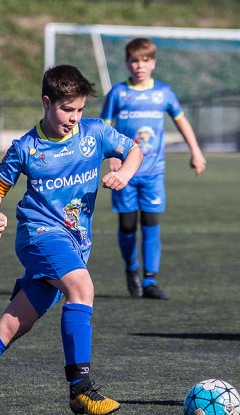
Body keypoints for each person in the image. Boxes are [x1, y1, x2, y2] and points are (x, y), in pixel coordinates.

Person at [0, 65, 143, 415]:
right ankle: (81, 388)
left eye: (80, 110)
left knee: (12, 326)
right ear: (46, 103)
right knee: (81, 288)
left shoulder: (94, 133)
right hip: (39, 236)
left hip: (75, 242)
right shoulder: (26, 148)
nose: (74, 118)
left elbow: (134, 151)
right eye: (67, 109)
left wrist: (123, 174)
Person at [99, 37, 207, 300]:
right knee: (127, 226)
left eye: (145, 60)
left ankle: (150, 280)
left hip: (154, 173)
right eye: (134, 61)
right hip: (124, 173)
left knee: (150, 223)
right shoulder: (118, 93)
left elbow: (182, 123)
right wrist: (110, 156)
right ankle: (131, 269)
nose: (139, 66)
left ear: (153, 63)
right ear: (126, 63)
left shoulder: (163, 93)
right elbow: (103, 130)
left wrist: (196, 151)